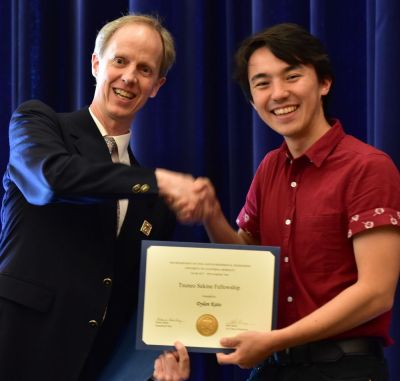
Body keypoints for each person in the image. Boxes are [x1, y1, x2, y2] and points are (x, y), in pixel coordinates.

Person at [153, 23, 400, 381]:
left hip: (343, 369)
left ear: (324, 82)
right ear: (252, 100)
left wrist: (274, 340)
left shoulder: (368, 167)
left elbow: (376, 293)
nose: (279, 93)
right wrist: (212, 216)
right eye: (262, 83)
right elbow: (246, 264)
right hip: (275, 368)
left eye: (292, 76)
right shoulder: (270, 167)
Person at [0, 14, 206, 381]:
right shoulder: (38, 123)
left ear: (156, 86)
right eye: (120, 61)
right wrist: (155, 180)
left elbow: (137, 305)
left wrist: (158, 365)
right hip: (15, 352)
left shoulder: (156, 201)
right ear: (96, 63)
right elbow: (52, 180)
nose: (129, 77)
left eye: (145, 69)